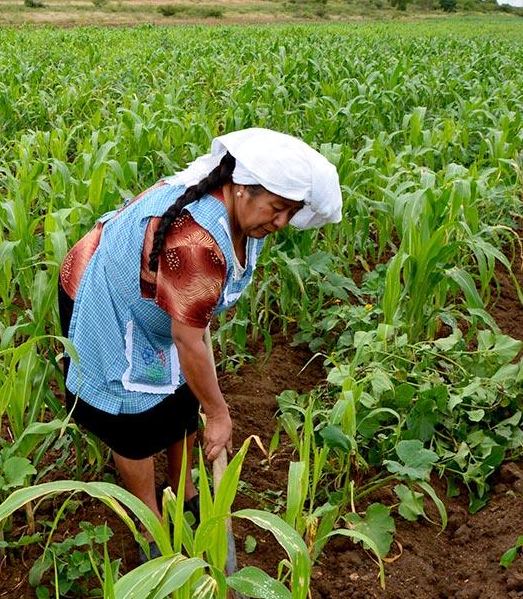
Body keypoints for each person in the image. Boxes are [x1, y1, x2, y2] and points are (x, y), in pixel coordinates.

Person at [57, 128, 342, 559]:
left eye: (291, 212)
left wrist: (206, 401)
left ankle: (184, 490)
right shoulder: (197, 242)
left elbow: (193, 328)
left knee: (179, 398)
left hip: (158, 308)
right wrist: (220, 411)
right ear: (242, 188)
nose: (281, 222)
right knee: (132, 425)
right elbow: (188, 338)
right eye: (278, 208)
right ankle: (151, 525)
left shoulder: (245, 220)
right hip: (104, 293)